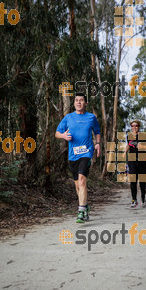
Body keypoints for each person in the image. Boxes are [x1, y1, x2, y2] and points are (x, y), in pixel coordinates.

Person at [55, 93, 101, 223]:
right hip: (72, 155)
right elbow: (57, 133)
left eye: (81, 100)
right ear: (74, 103)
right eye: (76, 100)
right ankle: (85, 206)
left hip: (86, 153)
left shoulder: (91, 117)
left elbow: (97, 132)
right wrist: (63, 136)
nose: (79, 102)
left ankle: (80, 211)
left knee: (82, 181)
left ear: (86, 103)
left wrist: (97, 144)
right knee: (77, 185)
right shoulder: (68, 117)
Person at [123, 119, 146, 208]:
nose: (134, 127)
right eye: (132, 126)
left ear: (139, 126)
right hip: (132, 161)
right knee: (133, 181)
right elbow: (129, 144)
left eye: (136, 126)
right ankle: (134, 200)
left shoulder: (144, 135)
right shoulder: (129, 136)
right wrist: (125, 152)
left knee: (142, 181)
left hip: (142, 160)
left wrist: (144, 147)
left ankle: (143, 197)